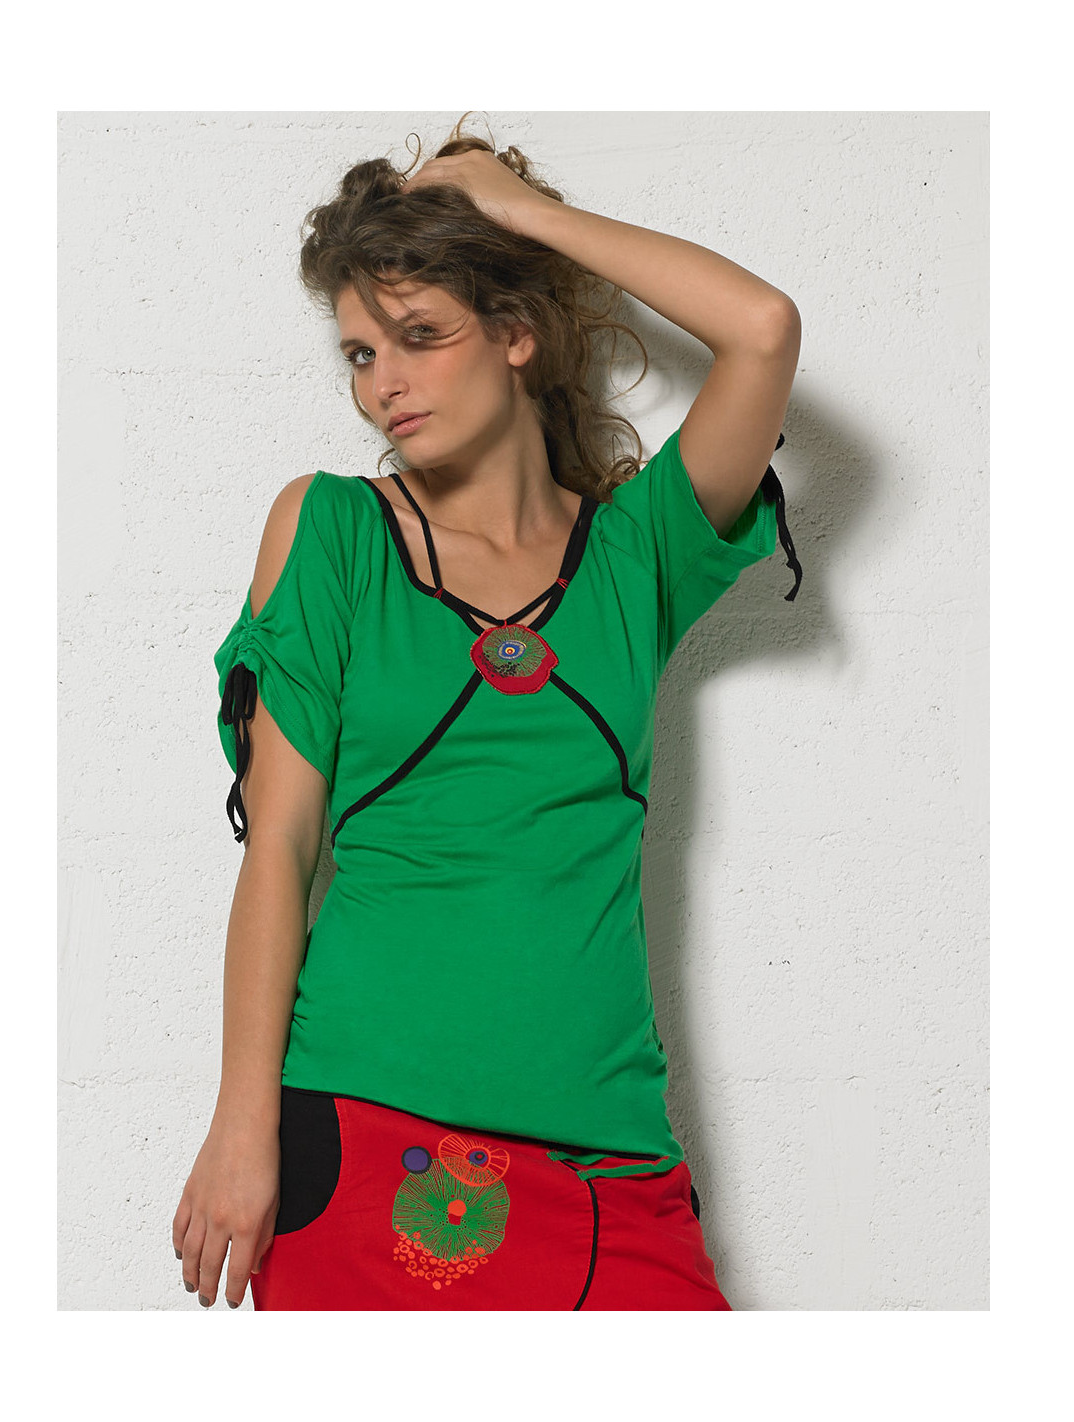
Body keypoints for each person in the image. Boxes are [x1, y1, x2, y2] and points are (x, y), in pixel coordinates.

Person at [172, 115, 803, 1312]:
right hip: (368, 1136)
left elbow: (760, 328)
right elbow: (280, 847)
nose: (384, 384)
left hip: (608, 1160)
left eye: (420, 335)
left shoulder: (635, 553)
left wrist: (522, 216)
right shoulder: (331, 533)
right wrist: (241, 1129)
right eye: (360, 352)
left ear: (516, 334)